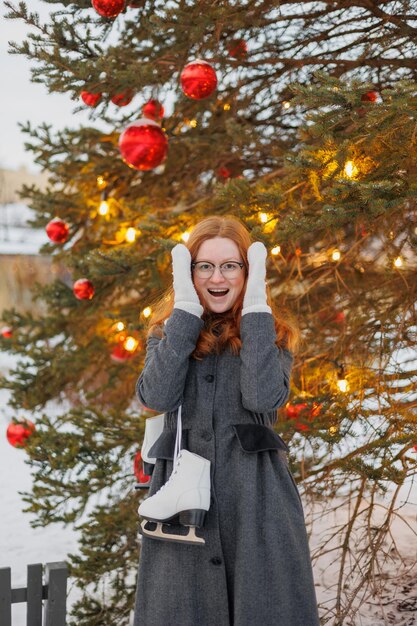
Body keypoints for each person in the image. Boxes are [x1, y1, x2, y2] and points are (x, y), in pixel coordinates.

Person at [133, 215, 320, 625]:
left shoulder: (271, 334)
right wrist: (185, 311)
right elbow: (156, 396)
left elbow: (262, 398)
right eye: (204, 266)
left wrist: (255, 309)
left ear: (247, 273)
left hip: (257, 501)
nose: (217, 277)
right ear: (188, 272)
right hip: (184, 502)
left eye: (230, 266)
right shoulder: (168, 333)